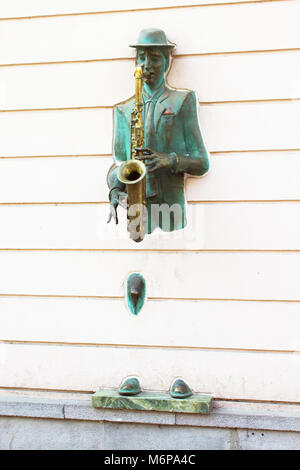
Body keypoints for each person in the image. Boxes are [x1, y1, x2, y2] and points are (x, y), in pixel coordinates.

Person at [107, 28, 210, 235]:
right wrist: (115, 189)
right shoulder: (123, 110)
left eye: (154, 58)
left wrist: (169, 160)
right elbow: (119, 163)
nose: (146, 66)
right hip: (137, 210)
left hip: (170, 209)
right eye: (141, 58)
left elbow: (202, 163)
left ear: (167, 61)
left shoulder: (182, 102)